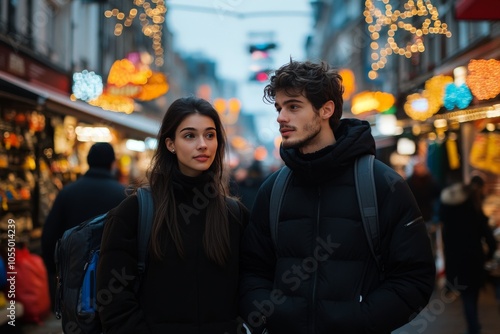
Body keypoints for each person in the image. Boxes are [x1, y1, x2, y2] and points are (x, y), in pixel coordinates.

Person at [239, 60, 436, 334]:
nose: (281, 117)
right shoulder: (273, 190)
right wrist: (270, 315)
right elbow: (252, 271)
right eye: (279, 107)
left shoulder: (382, 184)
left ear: (326, 109)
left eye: (293, 106)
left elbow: (414, 278)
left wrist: (360, 320)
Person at [96, 97, 248, 334]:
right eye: (190, 136)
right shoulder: (136, 211)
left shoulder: (234, 214)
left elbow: (248, 285)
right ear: (170, 144)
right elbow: (113, 298)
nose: (203, 145)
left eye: (210, 135)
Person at [41, 142, 127, 308]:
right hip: (112, 277)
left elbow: (49, 235)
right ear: (112, 163)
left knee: (77, 321)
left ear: (88, 161)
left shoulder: (67, 192)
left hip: (74, 274)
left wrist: (55, 269)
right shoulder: (123, 195)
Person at [439, 175, 497, 334]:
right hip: (473, 257)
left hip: (455, 258)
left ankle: (473, 326)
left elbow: (445, 236)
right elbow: (486, 233)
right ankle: (473, 327)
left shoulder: (447, 206)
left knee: (467, 295)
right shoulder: (473, 207)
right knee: (472, 293)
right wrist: (490, 254)